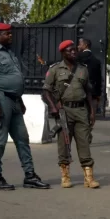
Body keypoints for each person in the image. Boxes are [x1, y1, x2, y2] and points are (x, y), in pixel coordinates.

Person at [0, 22, 50, 190]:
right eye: (7, 34)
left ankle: (30, 176)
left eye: (10, 33)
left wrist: (20, 100)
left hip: (14, 101)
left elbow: (15, 80)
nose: (11, 36)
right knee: (0, 140)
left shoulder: (10, 54)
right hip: (1, 99)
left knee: (22, 138)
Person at [42, 40, 99, 189]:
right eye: (69, 50)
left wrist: (92, 112)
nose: (73, 52)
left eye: (74, 50)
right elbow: (46, 91)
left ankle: (89, 177)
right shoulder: (55, 69)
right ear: (63, 53)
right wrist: (53, 107)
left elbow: (88, 92)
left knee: (84, 142)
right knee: (64, 144)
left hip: (81, 111)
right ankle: (65, 176)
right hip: (64, 111)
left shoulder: (83, 69)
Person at [76, 38, 103, 115]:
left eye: (80, 44)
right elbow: (99, 79)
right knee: (91, 113)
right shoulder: (96, 61)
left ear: (85, 45)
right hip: (92, 91)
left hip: (79, 90)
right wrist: (98, 94)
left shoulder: (77, 57)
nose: (78, 46)